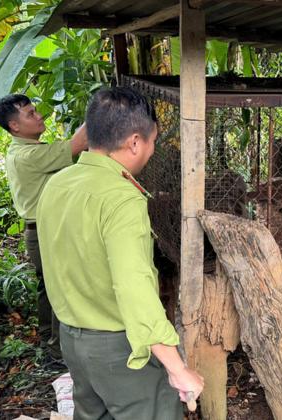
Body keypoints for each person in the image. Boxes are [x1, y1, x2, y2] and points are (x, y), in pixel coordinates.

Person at [36, 87, 204, 419]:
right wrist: (175, 366)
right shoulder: (122, 198)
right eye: (153, 141)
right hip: (118, 348)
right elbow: (133, 286)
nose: (153, 150)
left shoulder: (57, 183)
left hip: (72, 339)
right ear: (135, 142)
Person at [0, 94, 88, 358]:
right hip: (46, 232)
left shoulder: (21, 150)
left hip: (39, 231)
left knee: (49, 288)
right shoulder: (31, 155)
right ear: (15, 126)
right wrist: (100, 106)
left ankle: (49, 337)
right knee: (61, 289)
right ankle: (59, 351)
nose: (39, 116)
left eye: (36, 111)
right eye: (31, 114)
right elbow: (79, 143)